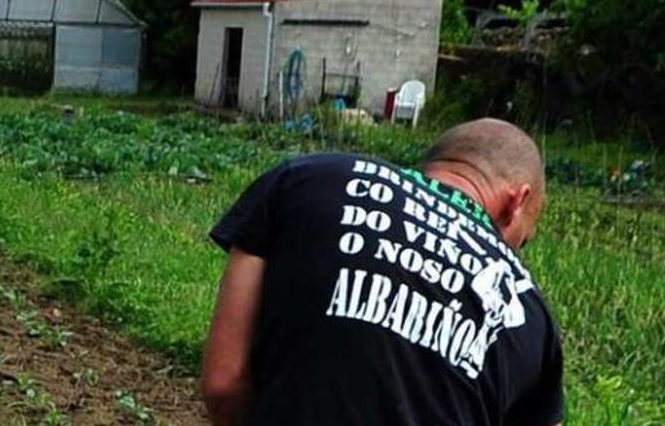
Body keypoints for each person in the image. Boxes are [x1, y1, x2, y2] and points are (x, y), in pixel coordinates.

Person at [201, 119, 564, 425]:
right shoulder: (532, 315)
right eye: (523, 240)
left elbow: (224, 384)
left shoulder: (305, 179)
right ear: (517, 201)